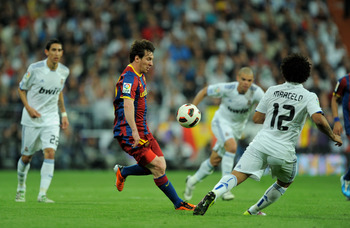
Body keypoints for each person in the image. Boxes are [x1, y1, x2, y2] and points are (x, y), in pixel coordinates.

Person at [193, 53, 343, 216]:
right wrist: (333, 136)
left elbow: (257, 118)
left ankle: (214, 193)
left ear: (283, 72)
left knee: (237, 174)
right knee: (285, 182)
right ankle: (252, 211)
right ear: (306, 76)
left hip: (261, 143)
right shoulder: (309, 96)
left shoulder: (272, 90)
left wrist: (272, 116)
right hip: (283, 150)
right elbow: (319, 120)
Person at [112, 39, 195, 211]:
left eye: (152, 59)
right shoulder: (129, 78)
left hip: (143, 130)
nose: (151, 63)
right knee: (156, 166)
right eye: (148, 59)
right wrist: (134, 131)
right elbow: (127, 105)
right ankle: (178, 203)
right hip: (128, 131)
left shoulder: (140, 75)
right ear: (137, 58)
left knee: (161, 164)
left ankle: (124, 172)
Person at [184, 67, 264, 201]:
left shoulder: (256, 93)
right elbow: (205, 92)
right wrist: (192, 108)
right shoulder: (227, 88)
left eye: (249, 80)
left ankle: (191, 181)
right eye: (243, 79)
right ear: (238, 78)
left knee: (214, 160)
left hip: (237, 128)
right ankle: (226, 188)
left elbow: (269, 105)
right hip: (221, 122)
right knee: (232, 147)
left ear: (252, 81)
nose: (246, 83)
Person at [15, 38, 70, 203]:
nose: (57, 53)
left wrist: (64, 113)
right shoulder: (35, 69)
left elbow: (58, 91)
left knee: (50, 152)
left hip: (51, 119)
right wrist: (29, 108)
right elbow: (21, 89)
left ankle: (42, 194)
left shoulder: (64, 71)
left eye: (59, 50)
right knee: (27, 157)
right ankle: (21, 187)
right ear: (47, 52)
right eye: (53, 50)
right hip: (32, 119)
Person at [331, 72, 350, 200]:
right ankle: (346, 178)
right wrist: (336, 120)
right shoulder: (344, 81)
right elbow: (334, 99)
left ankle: (347, 178)